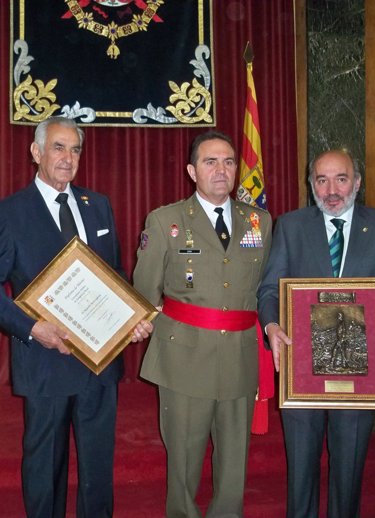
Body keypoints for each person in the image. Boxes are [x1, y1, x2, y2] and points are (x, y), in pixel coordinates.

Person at [0, 116, 151, 518]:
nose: (67, 157)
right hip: (44, 361)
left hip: (99, 362)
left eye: (75, 149)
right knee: (44, 469)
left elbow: (116, 277)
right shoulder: (10, 213)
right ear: (36, 152)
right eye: (58, 147)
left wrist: (132, 320)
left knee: (97, 470)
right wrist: (32, 328)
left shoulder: (98, 204)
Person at [257, 149, 375, 518]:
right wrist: (271, 325)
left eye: (341, 178)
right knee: (300, 472)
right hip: (301, 368)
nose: (331, 189)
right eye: (322, 180)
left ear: (357, 181)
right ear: (311, 184)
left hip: (364, 374)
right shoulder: (290, 225)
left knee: (347, 475)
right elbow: (269, 290)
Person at [133, 130, 272, 518]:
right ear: (192, 171)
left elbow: (267, 288)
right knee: (184, 454)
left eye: (229, 161)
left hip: (241, 354)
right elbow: (145, 290)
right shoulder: (166, 221)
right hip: (184, 355)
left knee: (234, 458)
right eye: (210, 162)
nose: (221, 170)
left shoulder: (260, 222)